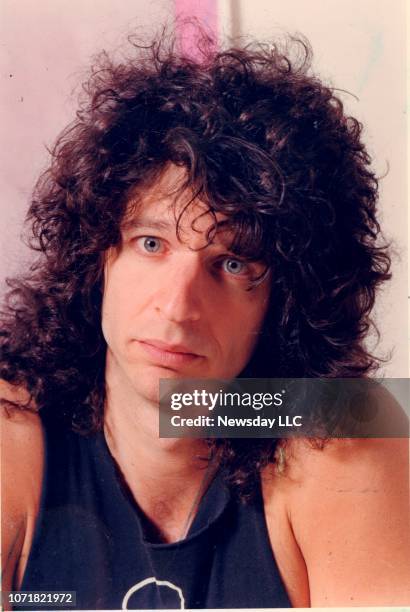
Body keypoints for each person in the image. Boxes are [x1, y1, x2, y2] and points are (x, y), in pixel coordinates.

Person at [1, 31, 409, 610]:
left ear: (286, 297)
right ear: (99, 255)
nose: (178, 305)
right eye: (151, 243)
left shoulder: (338, 430)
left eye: (233, 262)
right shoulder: (13, 429)